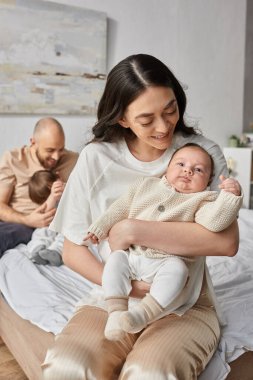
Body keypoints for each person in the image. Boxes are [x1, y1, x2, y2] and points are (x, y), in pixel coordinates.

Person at [42, 54, 239, 380]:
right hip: (115, 295)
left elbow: (226, 242)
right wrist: (132, 289)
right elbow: (72, 249)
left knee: (149, 373)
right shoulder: (96, 158)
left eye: (170, 110)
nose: (163, 127)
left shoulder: (199, 154)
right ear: (121, 118)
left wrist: (132, 230)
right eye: (147, 120)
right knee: (68, 367)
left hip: (186, 303)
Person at [84, 143, 242, 341]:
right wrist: (99, 228)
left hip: (166, 262)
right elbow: (119, 209)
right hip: (133, 256)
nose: (188, 170)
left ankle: (143, 315)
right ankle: (116, 313)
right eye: (181, 164)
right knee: (115, 261)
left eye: (198, 169)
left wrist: (229, 197)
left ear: (208, 181)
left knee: (178, 271)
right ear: (167, 168)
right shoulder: (145, 186)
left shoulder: (202, 200)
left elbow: (215, 222)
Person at [0, 117, 78, 257]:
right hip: (20, 222)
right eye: (50, 150)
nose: (56, 156)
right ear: (33, 142)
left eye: (61, 149)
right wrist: (27, 219)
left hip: (58, 225)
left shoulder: (74, 160)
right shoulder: (13, 159)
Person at [25, 170, 65, 266]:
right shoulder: (49, 201)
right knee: (40, 233)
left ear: (59, 177)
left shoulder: (69, 186)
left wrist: (64, 186)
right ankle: (37, 249)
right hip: (49, 225)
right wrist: (52, 197)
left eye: (53, 188)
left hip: (66, 225)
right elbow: (46, 210)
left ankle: (56, 252)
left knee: (64, 238)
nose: (54, 193)